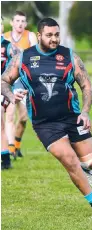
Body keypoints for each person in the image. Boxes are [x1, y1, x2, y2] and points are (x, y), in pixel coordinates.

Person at [1, 17, 92, 218]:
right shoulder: (23, 58)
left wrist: (85, 112)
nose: (54, 39)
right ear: (39, 35)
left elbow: (86, 86)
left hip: (73, 117)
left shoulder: (69, 56)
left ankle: (88, 169)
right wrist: (11, 95)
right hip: (44, 124)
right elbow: (3, 81)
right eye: (49, 35)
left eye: (57, 34)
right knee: (70, 161)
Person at [4, 11, 38, 159]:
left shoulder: (30, 37)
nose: (20, 24)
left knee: (23, 118)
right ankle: (9, 149)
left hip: (24, 81)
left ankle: (16, 146)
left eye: (23, 21)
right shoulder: (4, 38)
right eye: (17, 21)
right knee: (9, 115)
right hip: (8, 81)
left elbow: (36, 57)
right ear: (12, 22)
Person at [1, 16, 20, 170]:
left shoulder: (8, 46)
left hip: (4, 89)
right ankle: (6, 157)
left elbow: (21, 62)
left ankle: (6, 158)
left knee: (5, 119)